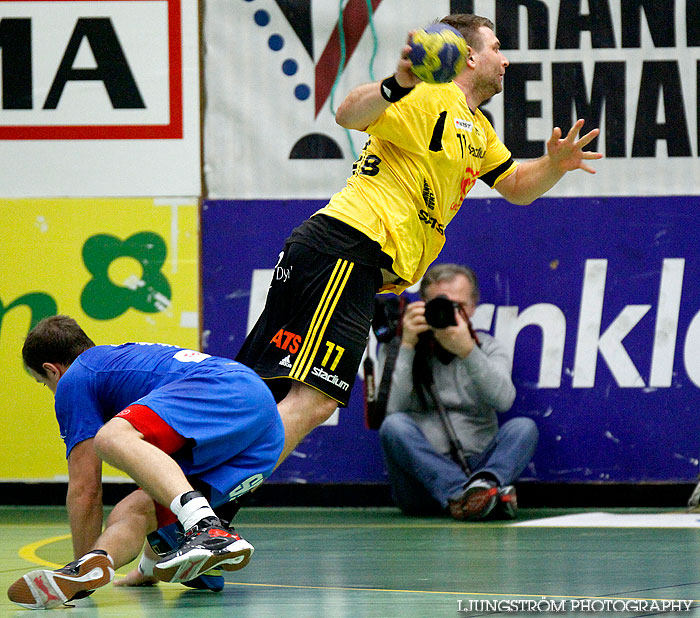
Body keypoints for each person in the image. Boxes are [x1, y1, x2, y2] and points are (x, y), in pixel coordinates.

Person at [236, 14, 600, 468]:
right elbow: (348, 112)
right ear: (469, 56)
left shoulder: (477, 127)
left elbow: (516, 186)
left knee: (254, 397)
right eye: (497, 47)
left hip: (337, 256)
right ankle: (208, 509)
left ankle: (176, 507)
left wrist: (555, 166)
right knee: (315, 400)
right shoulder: (430, 95)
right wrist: (395, 85)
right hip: (348, 248)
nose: (506, 60)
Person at [8, 316, 284, 610]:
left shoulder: (75, 377)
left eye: (45, 383)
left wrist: (75, 557)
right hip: (265, 432)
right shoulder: (118, 362)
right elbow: (161, 478)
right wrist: (147, 568)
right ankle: (97, 566)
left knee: (109, 438)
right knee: (135, 510)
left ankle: (205, 527)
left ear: (52, 370)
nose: (52, 391)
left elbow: (85, 489)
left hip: (227, 389)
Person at [378, 263, 538, 520]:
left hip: (478, 466)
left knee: (523, 427)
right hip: (419, 481)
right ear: (422, 304)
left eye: (459, 306)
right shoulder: (400, 345)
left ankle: (480, 489)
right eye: (440, 304)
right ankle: (468, 496)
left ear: (473, 307)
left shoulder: (487, 347)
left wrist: (468, 351)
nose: (449, 312)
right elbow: (390, 411)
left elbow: (504, 400)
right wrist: (407, 345)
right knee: (394, 426)